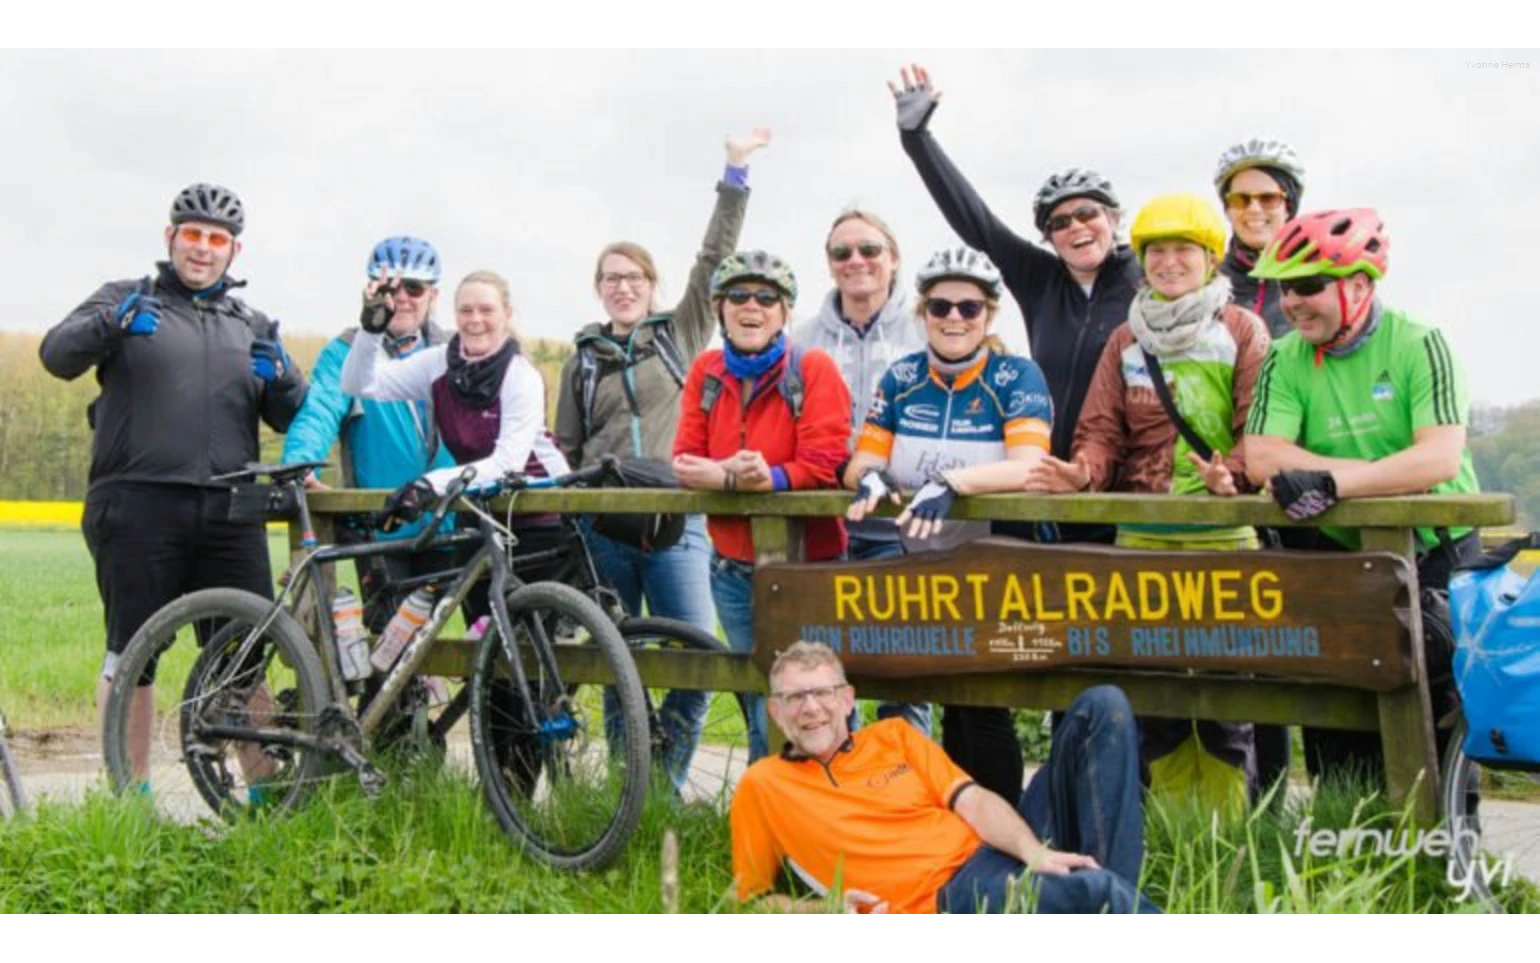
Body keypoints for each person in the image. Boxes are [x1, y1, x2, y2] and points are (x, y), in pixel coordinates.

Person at [40, 182, 307, 786]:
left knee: (243, 654)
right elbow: (57, 356)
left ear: (235, 251)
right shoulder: (125, 298)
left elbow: (292, 421)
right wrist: (111, 326)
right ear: (170, 238)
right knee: (134, 656)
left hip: (231, 511)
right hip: (138, 503)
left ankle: (268, 796)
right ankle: (129, 799)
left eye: (217, 239)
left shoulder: (252, 323)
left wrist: (286, 378)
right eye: (193, 235)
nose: (203, 249)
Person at [1023, 194, 1270, 816]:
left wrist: (1233, 476)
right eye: (1156, 250)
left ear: (1211, 257)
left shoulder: (1241, 330)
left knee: (1227, 700)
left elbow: (1258, 425)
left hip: (1223, 538)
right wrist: (1083, 471)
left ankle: (1224, 841)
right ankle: (1160, 838)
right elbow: (1102, 429)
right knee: (1151, 695)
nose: (1167, 262)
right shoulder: (1127, 338)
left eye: (1183, 249)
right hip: (1142, 535)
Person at [553, 129, 768, 787]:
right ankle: (631, 788)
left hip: (679, 522)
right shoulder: (581, 360)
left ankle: (666, 777)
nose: (623, 287)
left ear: (652, 284)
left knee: (697, 655)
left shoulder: (681, 332)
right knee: (621, 661)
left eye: (634, 276)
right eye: (611, 278)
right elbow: (563, 449)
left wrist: (734, 173)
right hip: (607, 525)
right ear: (599, 288)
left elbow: (715, 256)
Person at [1244, 208, 1482, 784]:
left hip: (1435, 551)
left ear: (1357, 285)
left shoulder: (1420, 344)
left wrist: (1331, 483)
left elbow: (1439, 459)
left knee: (1440, 723)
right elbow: (1262, 457)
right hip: (1340, 556)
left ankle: (1444, 863)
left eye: (1306, 286)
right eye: (1284, 288)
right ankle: (1345, 849)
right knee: (1340, 728)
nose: (1292, 302)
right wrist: (1387, 472)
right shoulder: (1285, 354)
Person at [888, 63, 1142, 545]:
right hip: (1043, 477)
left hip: (1124, 485)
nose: (1075, 227)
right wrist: (916, 138)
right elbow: (978, 223)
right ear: (1048, 238)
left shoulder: (1147, 280)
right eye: (1059, 221)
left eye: (1088, 212)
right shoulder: (1042, 280)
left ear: (1113, 218)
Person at [730, 641, 1158, 915]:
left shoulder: (893, 736)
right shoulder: (764, 785)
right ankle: (1105, 896)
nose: (810, 708)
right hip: (952, 894)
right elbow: (748, 901)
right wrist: (825, 909)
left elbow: (972, 801)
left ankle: (1106, 898)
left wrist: (1032, 852)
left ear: (846, 700)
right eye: (794, 697)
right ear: (775, 710)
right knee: (1095, 892)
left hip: (1001, 847)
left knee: (1102, 705)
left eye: (821, 693)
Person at [844, 246, 1054, 802]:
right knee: (919, 695)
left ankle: (1000, 839)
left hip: (990, 561)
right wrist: (869, 478)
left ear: (988, 316)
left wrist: (956, 483)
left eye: (969, 308)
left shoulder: (1015, 375)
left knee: (979, 709)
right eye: (941, 307)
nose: (955, 318)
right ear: (922, 314)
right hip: (918, 561)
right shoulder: (903, 375)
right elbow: (863, 456)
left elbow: (1029, 464)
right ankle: (935, 828)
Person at [672, 251, 852, 763]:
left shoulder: (813, 369)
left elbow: (825, 462)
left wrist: (762, 478)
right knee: (760, 696)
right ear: (719, 308)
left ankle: (834, 813)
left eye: (767, 298)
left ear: (785, 312)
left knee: (821, 694)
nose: (753, 307)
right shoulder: (706, 371)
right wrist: (737, 475)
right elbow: (686, 457)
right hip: (732, 567)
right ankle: (770, 807)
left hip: (809, 566)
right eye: (739, 296)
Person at [791, 207, 930, 735]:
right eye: (842, 252)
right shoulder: (802, 339)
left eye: (869, 249)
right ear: (829, 264)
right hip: (827, 526)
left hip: (903, 527)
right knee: (824, 676)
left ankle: (908, 801)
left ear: (893, 259)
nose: (856, 261)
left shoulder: (928, 327)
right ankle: (837, 803)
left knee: (905, 676)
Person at [281, 235, 457, 629]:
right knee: (390, 643)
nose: (403, 298)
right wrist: (299, 462)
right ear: (371, 290)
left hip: (449, 518)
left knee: (443, 637)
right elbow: (321, 410)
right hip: (380, 523)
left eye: (414, 288)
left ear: (434, 294)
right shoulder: (346, 350)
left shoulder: (455, 349)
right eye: (390, 288)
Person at [1213, 138, 1309, 339]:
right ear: (1227, 209)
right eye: (1240, 200)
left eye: (1268, 199)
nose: (1254, 209)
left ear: (1289, 206)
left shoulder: (1319, 279)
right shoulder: (1207, 282)